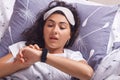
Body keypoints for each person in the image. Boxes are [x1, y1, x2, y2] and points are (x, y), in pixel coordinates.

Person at [0, 1, 93, 80]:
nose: (55, 31)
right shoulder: (24, 48)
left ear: (70, 35)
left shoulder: (72, 56)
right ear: (43, 30)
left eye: (62, 27)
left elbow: (87, 74)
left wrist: (42, 56)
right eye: (50, 25)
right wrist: (18, 64)